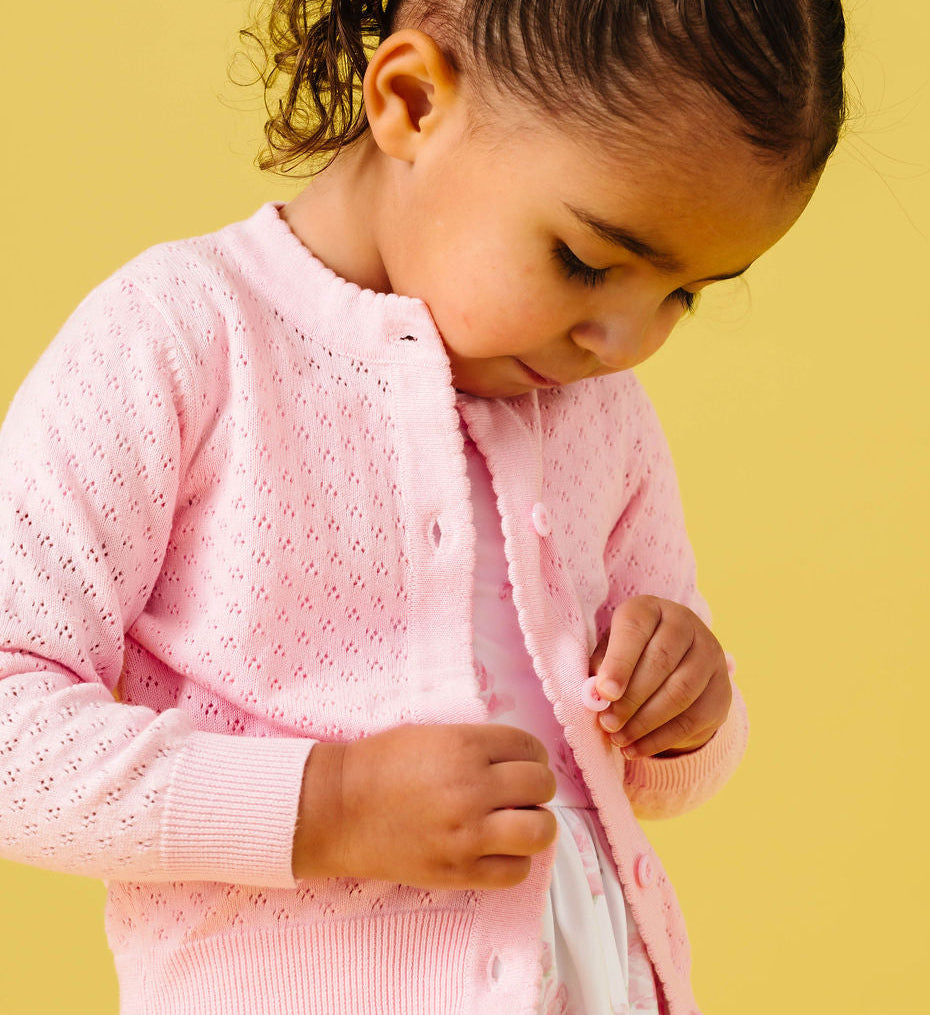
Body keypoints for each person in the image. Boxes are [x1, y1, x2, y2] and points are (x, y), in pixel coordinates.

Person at [0, 1, 846, 1012]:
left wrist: (690, 708)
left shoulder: (600, 414)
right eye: (585, 261)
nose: (626, 341)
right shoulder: (184, 338)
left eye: (686, 294)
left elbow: (665, 776)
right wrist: (329, 808)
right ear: (410, 102)